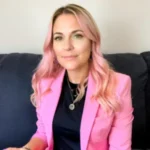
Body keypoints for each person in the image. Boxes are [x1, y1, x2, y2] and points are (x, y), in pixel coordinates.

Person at [6, 3, 134, 150]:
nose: (67, 46)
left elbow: (120, 147)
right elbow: (43, 134)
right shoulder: (44, 81)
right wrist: (26, 149)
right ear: (52, 45)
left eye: (77, 35)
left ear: (92, 41)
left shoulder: (118, 84)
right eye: (59, 38)